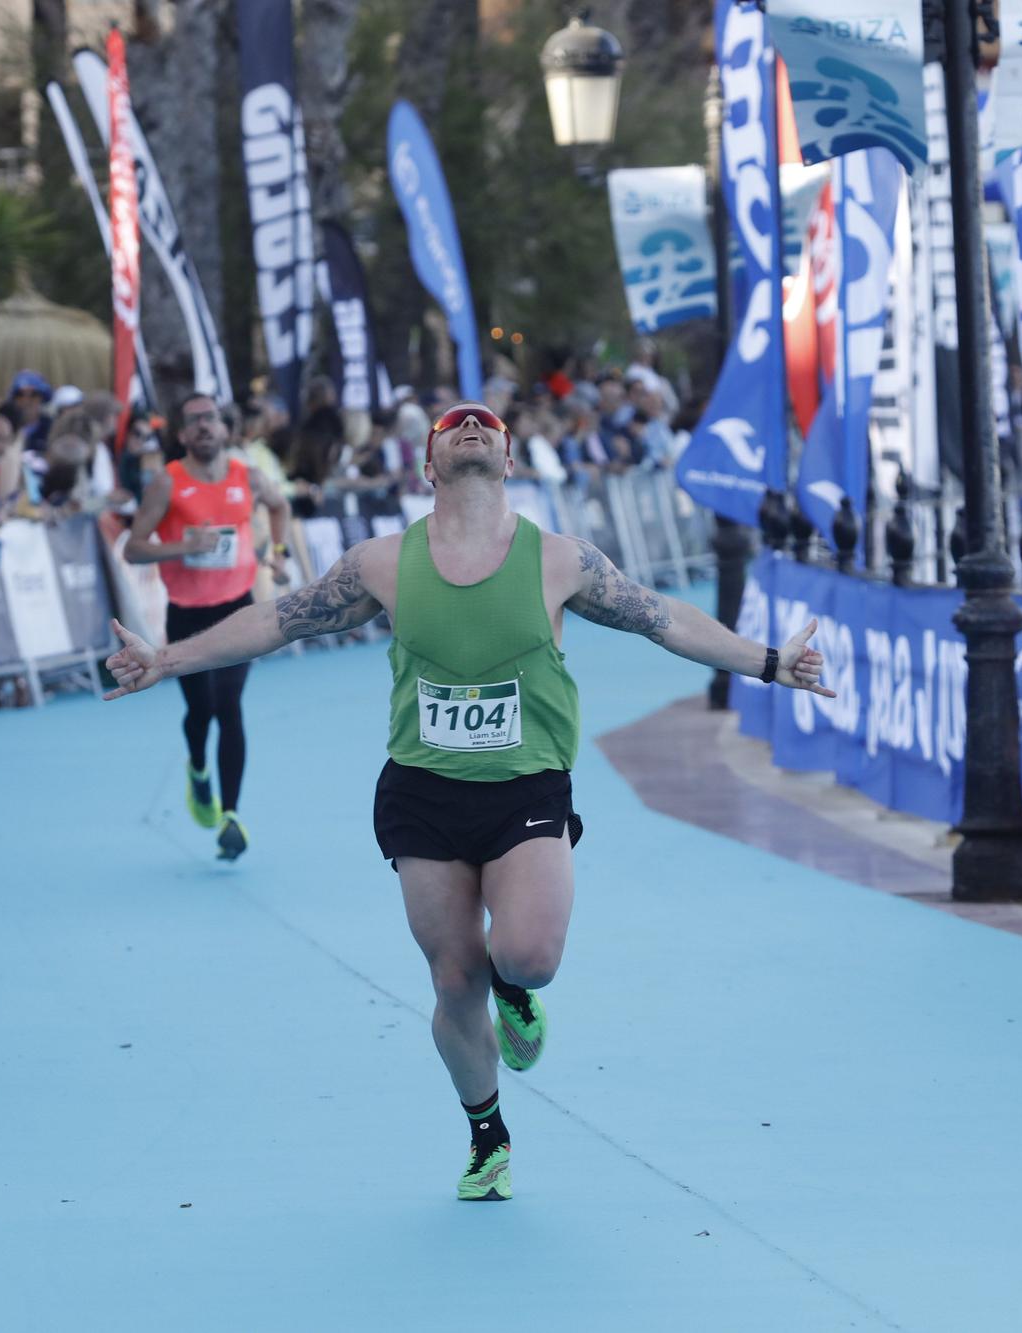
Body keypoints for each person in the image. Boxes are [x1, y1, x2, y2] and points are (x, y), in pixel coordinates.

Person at [103, 401, 831, 1200]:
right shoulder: (382, 563)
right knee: (454, 979)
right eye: (454, 424)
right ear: (429, 464)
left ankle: (515, 993)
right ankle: (488, 1135)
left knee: (528, 955)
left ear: (510, 462)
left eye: (487, 423)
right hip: (423, 791)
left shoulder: (561, 560)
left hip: (526, 788)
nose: (472, 425)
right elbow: (280, 619)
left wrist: (768, 661)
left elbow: (663, 620)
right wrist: (166, 659)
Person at [121, 391, 292, 861]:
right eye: (193, 420)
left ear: (224, 429)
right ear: (181, 434)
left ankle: (231, 816)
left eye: (210, 418)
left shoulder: (248, 477)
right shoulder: (167, 484)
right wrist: (181, 546)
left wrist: (278, 556)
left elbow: (280, 507)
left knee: (229, 704)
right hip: (188, 614)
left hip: (238, 608)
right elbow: (133, 549)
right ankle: (198, 769)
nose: (202, 426)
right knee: (201, 712)